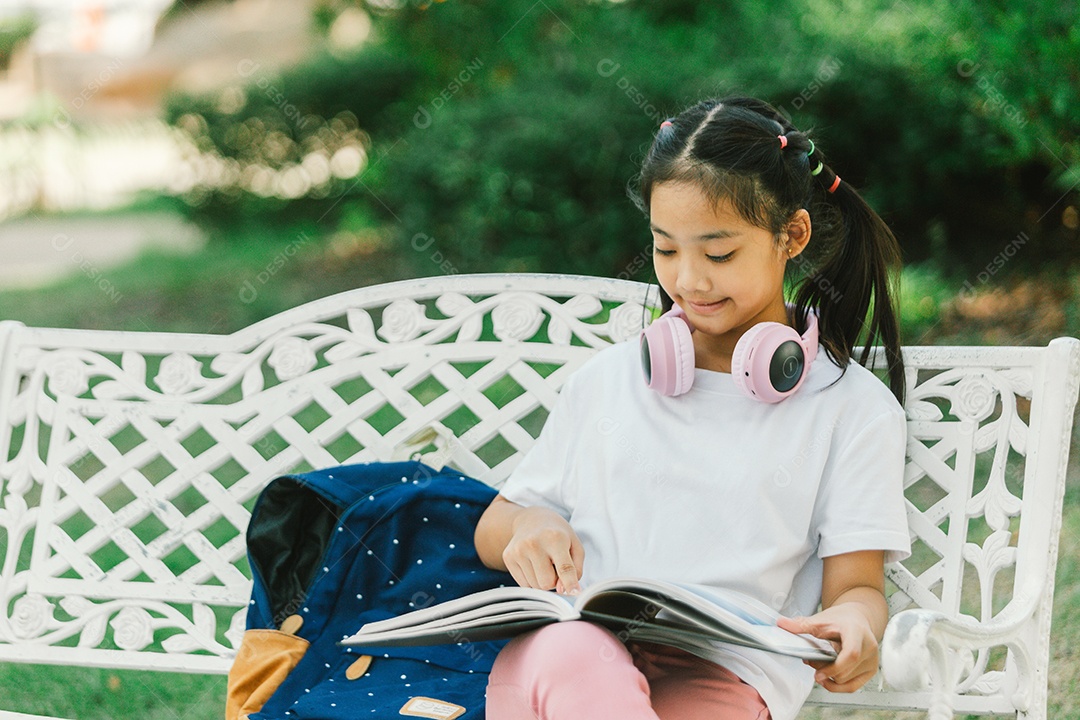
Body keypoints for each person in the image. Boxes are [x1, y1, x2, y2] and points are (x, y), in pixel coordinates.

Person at [472, 96, 912, 720]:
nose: (688, 281)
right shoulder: (608, 381)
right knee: (578, 657)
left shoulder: (852, 408)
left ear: (792, 236)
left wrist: (853, 623)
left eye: (718, 253)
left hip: (727, 671)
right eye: (666, 249)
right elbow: (495, 525)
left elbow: (858, 588)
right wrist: (530, 527)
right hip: (573, 653)